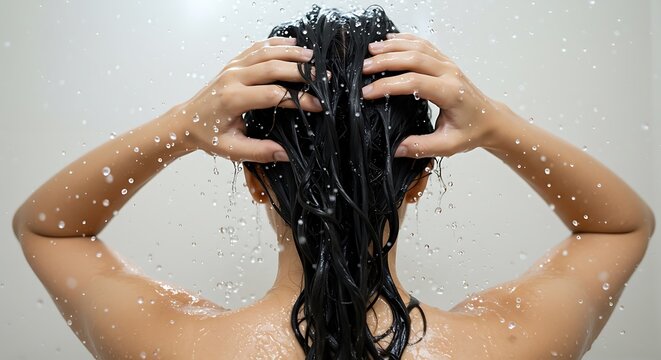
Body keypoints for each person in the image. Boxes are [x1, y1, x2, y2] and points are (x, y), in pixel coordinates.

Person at [11, 5, 654, 360]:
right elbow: (620, 225)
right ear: (420, 180)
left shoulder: (175, 346)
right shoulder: (509, 347)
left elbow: (47, 228)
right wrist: (496, 123)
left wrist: (182, 125)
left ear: (258, 183)